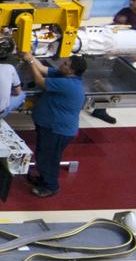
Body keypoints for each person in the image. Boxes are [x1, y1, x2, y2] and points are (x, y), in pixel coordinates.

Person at [22, 51, 88, 198]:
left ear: (72, 70)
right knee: (43, 154)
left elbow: (40, 80)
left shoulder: (68, 84)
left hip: (57, 130)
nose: (62, 64)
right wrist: (30, 56)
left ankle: (50, 186)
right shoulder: (61, 75)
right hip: (50, 126)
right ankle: (45, 179)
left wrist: (30, 63)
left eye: (66, 64)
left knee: (48, 158)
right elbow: (43, 69)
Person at [92, 0, 136, 124]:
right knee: (100, 77)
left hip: (127, 56)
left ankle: (100, 110)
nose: (131, 2)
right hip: (113, 52)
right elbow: (114, 26)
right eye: (131, 0)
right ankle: (95, 102)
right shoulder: (125, 11)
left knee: (111, 83)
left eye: (134, 0)